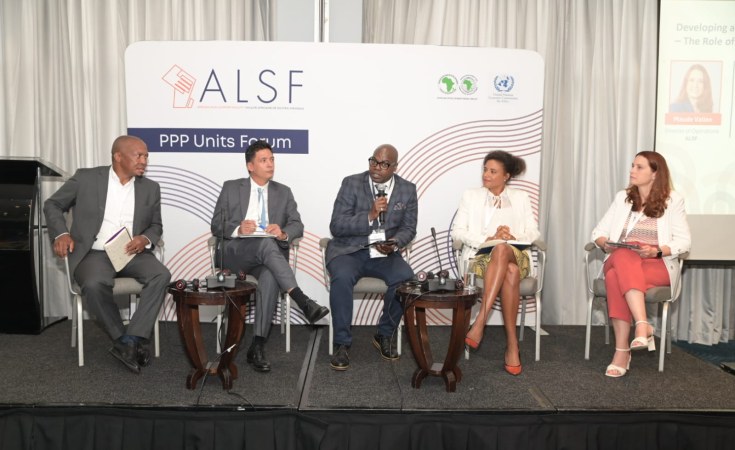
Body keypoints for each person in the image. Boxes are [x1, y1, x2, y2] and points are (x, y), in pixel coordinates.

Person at [44, 135, 171, 374]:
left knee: (161, 275)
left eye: (146, 156)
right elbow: (53, 204)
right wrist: (61, 234)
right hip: (95, 253)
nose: (144, 161)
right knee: (93, 284)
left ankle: (132, 339)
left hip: (132, 253)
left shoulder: (150, 188)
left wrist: (144, 239)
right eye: (138, 155)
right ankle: (122, 339)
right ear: (118, 156)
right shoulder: (86, 178)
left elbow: (156, 226)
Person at [211, 140, 329, 373]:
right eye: (263, 160)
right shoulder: (231, 187)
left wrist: (283, 233)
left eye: (272, 159)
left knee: (270, 276)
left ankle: (257, 345)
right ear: (250, 166)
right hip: (235, 253)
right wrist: (238, 228)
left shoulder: (283, 192)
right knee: (266, 244)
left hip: (266, 258)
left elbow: (297, 225)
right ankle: (301, 299)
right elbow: (216, 224)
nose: (270, 164)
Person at [592, 151, 691, 378]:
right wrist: (606, 244)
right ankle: (642, 324)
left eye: (639, 167)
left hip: (655, 264)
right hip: (622, 258)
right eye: (632, 166)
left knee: (614, 277)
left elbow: (684, 242)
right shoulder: (623, 198)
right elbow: (598, 232)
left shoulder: (673, 200)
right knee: (624, 253)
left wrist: (656, 250)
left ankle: (622, 352)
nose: (632, 171)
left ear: (655, 174)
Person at [325, 144, 417, 371]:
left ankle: (384, 334)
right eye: (373, 161)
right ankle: (341, 343)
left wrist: (394, 243)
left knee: (406, 279)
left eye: (384, 164)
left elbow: (408, 228)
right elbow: (336, 225)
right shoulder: (351, 183)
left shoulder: (407, 190)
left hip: (383, 253)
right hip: (349, 250)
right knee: (342, 278)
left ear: (394, 167)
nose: (376, 167)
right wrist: (369, 215)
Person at [452, 150, 540, 376]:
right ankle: (512, 345)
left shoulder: (520, 197)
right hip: (482, 256)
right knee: (509, 269)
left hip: (517, 253)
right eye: (485, 170)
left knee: (503, 249)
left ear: (506, 176)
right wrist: (488, 238)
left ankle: (480, 320)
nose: (486, 175)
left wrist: (513, 236)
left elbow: (533, 232)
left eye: (493, 171)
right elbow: (458, 232)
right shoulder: (471, 196)